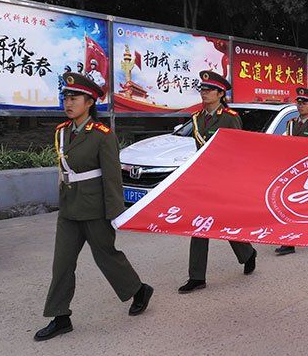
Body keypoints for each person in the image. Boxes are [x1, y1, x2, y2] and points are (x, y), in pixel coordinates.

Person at [35, 72, 153, 341]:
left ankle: (139, 290)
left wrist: (115, 213)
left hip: (95, 207)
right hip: (69, 208)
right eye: (66, 97)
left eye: (74, 98)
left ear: (89, 102)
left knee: (106, 257)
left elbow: (112, 177)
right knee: (62, 263)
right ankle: (60, 316)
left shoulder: (102, 135)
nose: (68, 102)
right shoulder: (62, 132)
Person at [179, 71, 257, 293]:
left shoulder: (229, 117)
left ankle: (247, 253)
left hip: (224, 180)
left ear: (221, 93)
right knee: (199, 225)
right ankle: (197, 277)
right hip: (202, 180)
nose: (204, 93)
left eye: (209, 90)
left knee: (226, 223)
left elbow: (238, 150)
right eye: (202, 90)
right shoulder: (196, 118)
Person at [274, 87, 308, 256]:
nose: (301, 106)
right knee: (290, 204)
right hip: (291, 170)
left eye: (305, 103)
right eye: (299, 102)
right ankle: (289, 240)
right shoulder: (290, 124)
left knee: (307, 205)